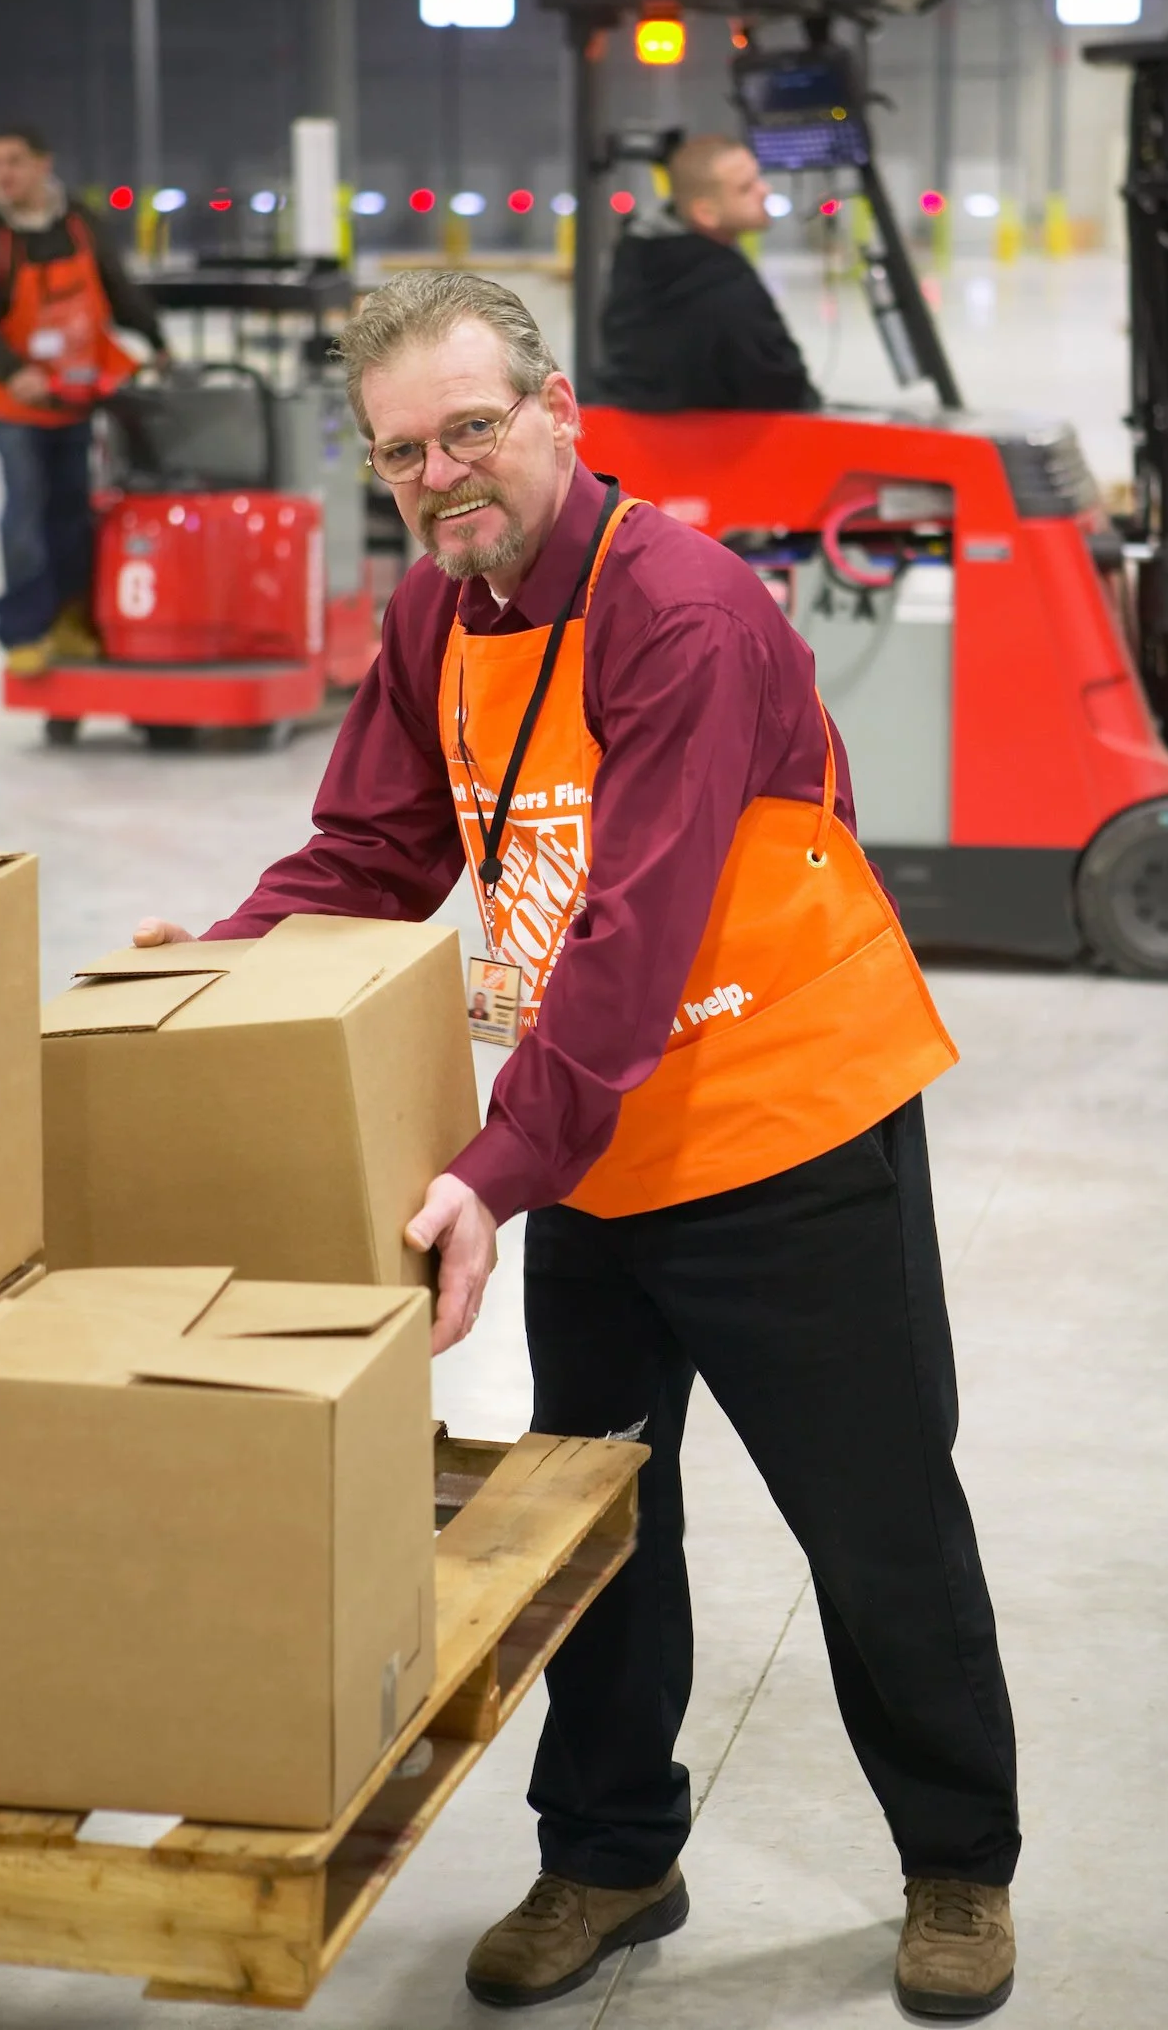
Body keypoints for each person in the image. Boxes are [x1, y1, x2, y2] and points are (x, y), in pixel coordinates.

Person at [135, 271, 1020, 2020]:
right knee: (599, 1527)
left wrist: (483, 1171)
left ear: (558, 417)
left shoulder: (679, 612)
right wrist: (223, 959)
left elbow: (636, 931)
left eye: (472, 427)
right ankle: (613, 1855)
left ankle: (959, 1867)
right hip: (597, 1152)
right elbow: (374, 851)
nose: (444, 471)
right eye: (405, 452)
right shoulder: (436, 614)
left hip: (784, 1134)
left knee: (879, 1521)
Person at [0, 124, 167, 675]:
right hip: (16, 404)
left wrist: (155, 340)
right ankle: (25, 630)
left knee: (72, 511)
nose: (3, 175)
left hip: (74, 396)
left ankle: (72, 622)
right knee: (25, 510)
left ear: (43, 164)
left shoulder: (76, 221)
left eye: (14, 162)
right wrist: (15, 371)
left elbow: (114, 287)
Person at [593, 134, 819, 413]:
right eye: (746, 188)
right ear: (706, 213)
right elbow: (781, 387)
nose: (765, 190)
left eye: (758, 178)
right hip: (722, 446)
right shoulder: (728, 287)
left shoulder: (635, 262)